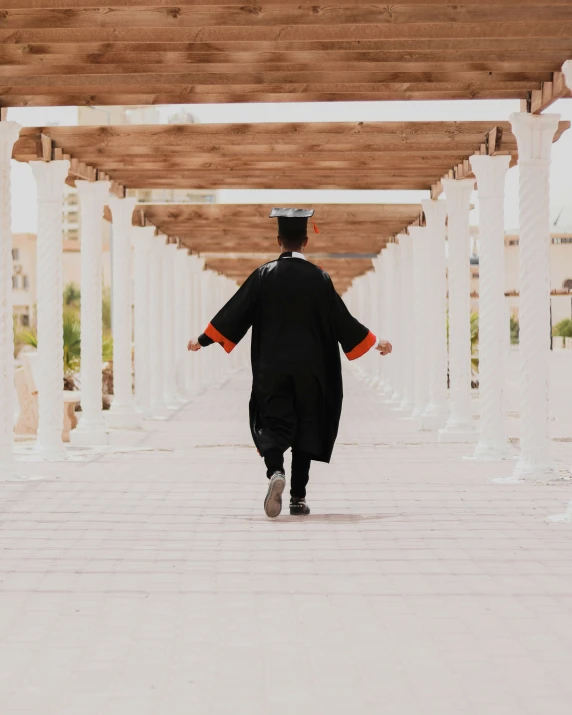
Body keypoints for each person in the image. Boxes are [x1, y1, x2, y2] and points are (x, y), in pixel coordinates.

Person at [188, 208, 392, 518]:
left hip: (272, 368)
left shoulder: (263, 275)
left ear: (279, 240)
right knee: (306, 427)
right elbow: (342, 320)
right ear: (306, 242)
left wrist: (203, 339)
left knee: (271, 421)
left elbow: (236, 311)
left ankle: (275, 471)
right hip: (312, 370)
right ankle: (298, 498)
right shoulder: (319, 278)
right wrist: (377, 342)